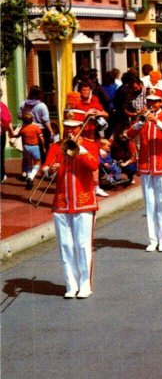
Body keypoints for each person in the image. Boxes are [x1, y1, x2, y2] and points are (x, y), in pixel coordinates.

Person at [41, 108, 100, 298]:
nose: (70, 131)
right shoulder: (55, 146)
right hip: (61, 203)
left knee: (82, 245)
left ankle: (84, 284)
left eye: (74, 127)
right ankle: (70, 284)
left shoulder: (90, 145)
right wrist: (51, 169)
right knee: (65, 245)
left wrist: (79, 149)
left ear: (81, 127)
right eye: (67, 127)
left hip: (83, 202)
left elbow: (93, 165)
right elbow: (45, 168)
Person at [126, 82, 162, 252]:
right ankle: (152, 239)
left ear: (161, 102)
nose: (151, 104)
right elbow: (128, 134)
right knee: (149, 203)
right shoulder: (143, 116)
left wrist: (157, 122)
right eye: (149, 100)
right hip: (146, 165)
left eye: (155, 101)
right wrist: (140, 123)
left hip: (161, 165)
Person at [18, 86, 54, 160]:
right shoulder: (42, 106)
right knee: (43, 151)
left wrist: (27, 118)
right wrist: (51, 130)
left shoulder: (23, 104)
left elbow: (19, 115)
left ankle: (29, 169)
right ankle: (43, 168)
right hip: (40, 130)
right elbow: (46, 120)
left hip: (27, 129)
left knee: (28, 152)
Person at [14, 111, 44, 189]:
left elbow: (17, 135)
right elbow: (41, 138)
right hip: (35, 147)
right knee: (37, 163)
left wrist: (12, 135)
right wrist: (43, 147)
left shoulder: (23, 128)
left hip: (26, 147)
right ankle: (30, 177)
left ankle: (28, 178)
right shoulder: (36, 127)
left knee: (27, 164)